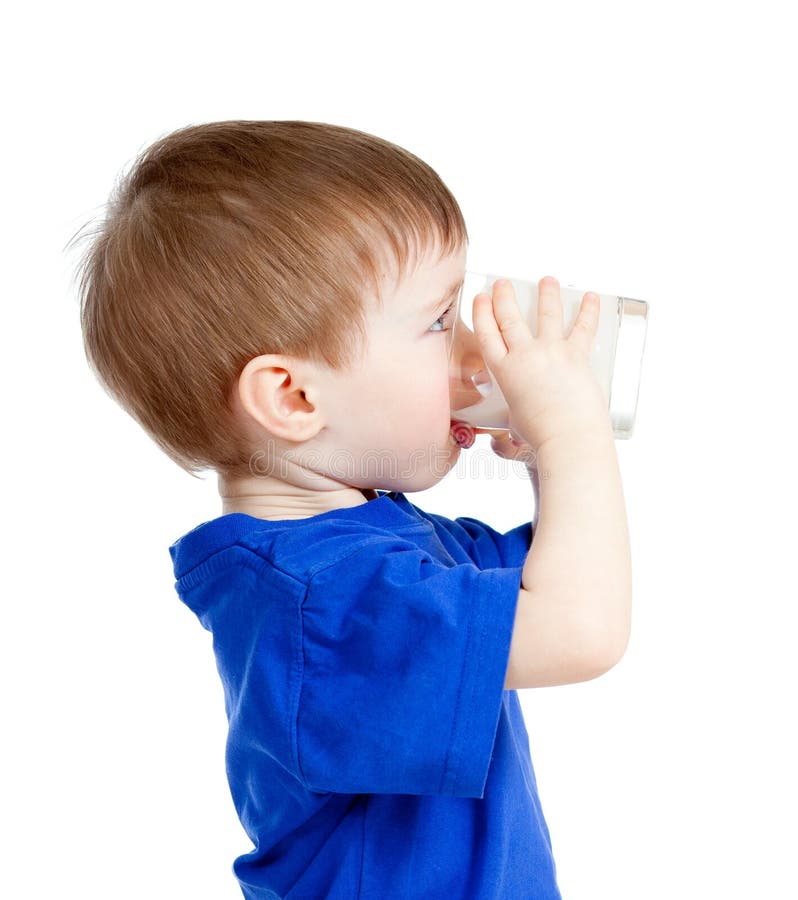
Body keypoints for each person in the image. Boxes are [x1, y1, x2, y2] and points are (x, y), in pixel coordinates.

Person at [74, 120, 632, 899]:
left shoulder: (375, 540)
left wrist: (547, 457)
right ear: (294, 397)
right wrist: (572, 428)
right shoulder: (324, 602)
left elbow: (561, 579)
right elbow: (580, 630)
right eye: (439, 321)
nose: (473, 347)